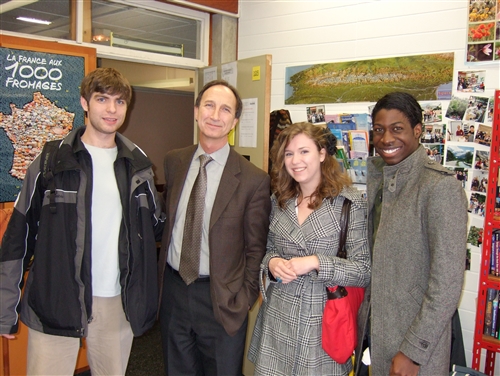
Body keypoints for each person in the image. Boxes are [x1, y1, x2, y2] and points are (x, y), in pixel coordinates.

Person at [0, 67, 165, 375]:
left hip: (116, 301)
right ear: (85, 103)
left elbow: (159, 227)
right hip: (56, 297)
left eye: (119, 101)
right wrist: (4, 305)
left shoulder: (137, 166)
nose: (112, 109)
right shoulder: (51, 161)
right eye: (102, 99)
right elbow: (18, 236)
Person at [158, 79, 271, 375]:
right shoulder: (175, 161)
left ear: (234, 121)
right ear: (196, 111)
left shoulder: (253, 180)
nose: (215, 115)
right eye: (208, 105)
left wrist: (243, 298)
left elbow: (256, 248)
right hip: (173, 290)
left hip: (222, 300)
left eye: (225, 110)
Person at [355, 92, 467, 376]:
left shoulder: (439, 187)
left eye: (397, 129)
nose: (386, 139)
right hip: (375, 335)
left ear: (418, 131)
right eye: (379, 130)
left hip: (414, 348)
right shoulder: (378, 181)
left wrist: (413, 352)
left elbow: (447, 284)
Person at [248, 122, 371, 375]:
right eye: (289, 154)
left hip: (323, 322)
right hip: (278, 319)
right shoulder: (279, 200)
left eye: (304, 151)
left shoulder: (348, 203)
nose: (295, 161)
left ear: (322, 154)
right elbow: (267, 250)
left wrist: (316, 262)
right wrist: (271, 264)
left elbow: (364, 270)